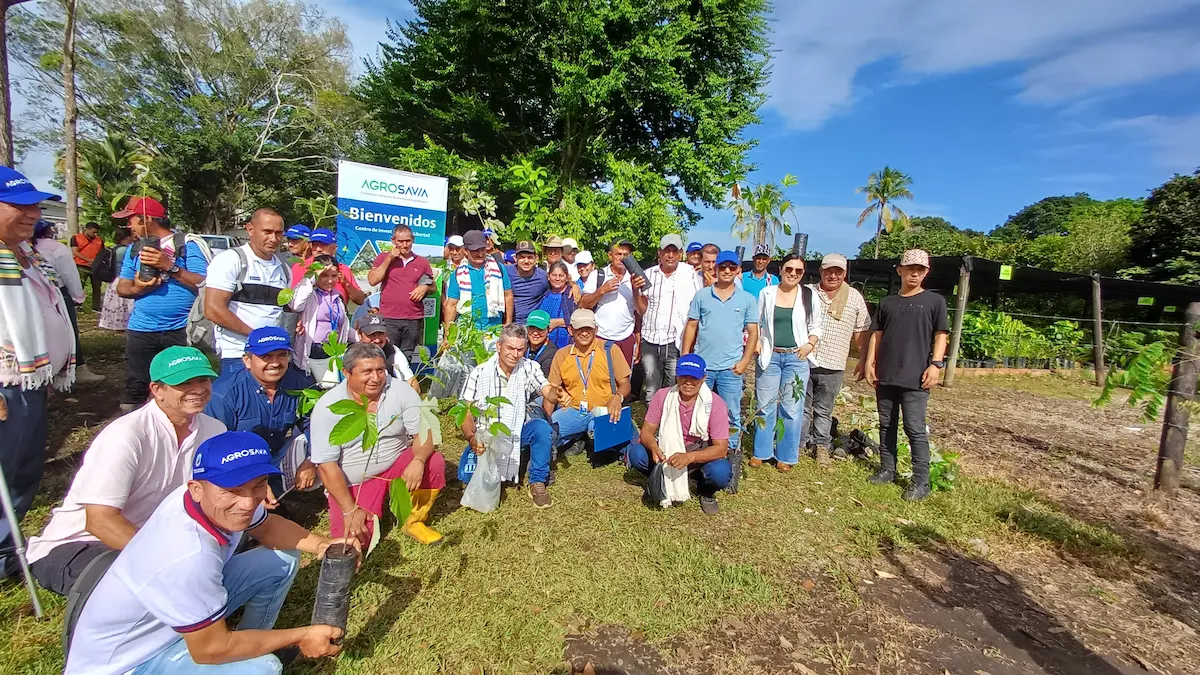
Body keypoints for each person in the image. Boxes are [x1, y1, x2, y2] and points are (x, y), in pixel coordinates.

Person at [63, 431, 355, 675]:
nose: (246, 503)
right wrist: (302, 635)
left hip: (170, 622)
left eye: (258, 486)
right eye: (232, 490)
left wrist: (321, 545)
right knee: (262, 669)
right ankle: (250, 652)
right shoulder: (187, 556)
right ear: (197, 488)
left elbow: (267, 528)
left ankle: (250, 641)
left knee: (280, 558)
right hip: (129, 663)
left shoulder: (199, 500)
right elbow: (210, 650)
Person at [29, 346, 223, 595]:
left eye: (203, 380)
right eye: (184, 383)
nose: (197, 389)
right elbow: (100, 521)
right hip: (79, 544)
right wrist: (166, 560)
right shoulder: (126, 435)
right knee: (148, 589)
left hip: (153, 538)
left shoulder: (215, 430)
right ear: (157, 390)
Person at [0, 167, 74, 579]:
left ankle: (6, 550)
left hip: (29, 382)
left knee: (23, 467)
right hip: (6, 385)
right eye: (18, 206)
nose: (31, 214)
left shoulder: (26, 256)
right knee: (6, 468)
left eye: (34, 206)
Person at [311, 343, 447, 546]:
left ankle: (413, 520)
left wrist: (418, 460)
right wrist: (349, 509)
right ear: (346, 373)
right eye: (367, 372)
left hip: (396, 463)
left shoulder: (400, 390)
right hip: (355, 480)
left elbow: (425, 433)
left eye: (380, 370)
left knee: (433, 463)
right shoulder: (329, 407)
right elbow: (326, 465)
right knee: (353, 542)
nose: (376, 378)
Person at [863, 249, 948, 502]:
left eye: (920, 269)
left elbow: (941, 335)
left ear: (926, 273)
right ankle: (888, 469)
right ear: (899, 270)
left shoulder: (935, 302)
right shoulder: (888, 303)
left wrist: (936, 364)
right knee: (886, 423)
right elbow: (876, 335)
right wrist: (869, 363)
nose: (915, 273)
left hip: (917, 377)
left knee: (915, 428)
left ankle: (921, 481)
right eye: (910, 268)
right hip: (887, 373)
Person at [116, 196, 209, 410]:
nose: (129, 225)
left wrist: (169, 266)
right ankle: (135, 432)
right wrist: (139, 288)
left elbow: (204, 283)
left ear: (147, 219)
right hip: (142, 328)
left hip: (181, 328)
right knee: (136, 385)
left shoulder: (187, 245)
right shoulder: (135, 249)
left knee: (184, 382)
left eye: (132, 219)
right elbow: (122, 287)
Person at [204, 328, 317, 504]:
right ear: (247, 361)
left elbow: (314, 424)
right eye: (266, 357)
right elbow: (216, 448)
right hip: (238, 465)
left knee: (319, 447)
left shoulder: (299, 384)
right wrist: (252, 482)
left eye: (281, 355)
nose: (275, 363)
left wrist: (312, 460)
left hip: (276, 454)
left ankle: (279, 494)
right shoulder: (224, 395)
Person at [460, 324, 561, 508]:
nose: (515, 354)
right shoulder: (479, 373)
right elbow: (464, 410)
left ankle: (537, 481)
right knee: (469, 478)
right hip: (489, 437)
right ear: (499, 346)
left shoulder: (529, 367)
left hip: (517, 431)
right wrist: (471, 437)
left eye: (520, 349)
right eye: (510, 348)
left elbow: (546, 390)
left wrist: (556, 394)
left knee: (541, 429)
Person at [627, 354, 732, 515]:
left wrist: (690, 457)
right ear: (677, 375)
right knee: (637, 453)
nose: (688, 382)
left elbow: (721, 449)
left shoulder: (715, 404)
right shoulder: (663, 396)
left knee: (721, 471)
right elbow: (647, 431)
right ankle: (661, 478)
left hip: (698, 454)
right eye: (684, 376)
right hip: (667, 453)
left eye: (694, 378)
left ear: (703, 378)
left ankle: (705, 490)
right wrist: (654, 447)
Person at [682, 250, 758, 463]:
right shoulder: (702, 295)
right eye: (722, 267)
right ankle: (698, 449)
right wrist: (686, 356)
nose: (726, 271)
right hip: (702, 367)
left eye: (731, 267)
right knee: (698, 409)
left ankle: (731, 456)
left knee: (732, 413)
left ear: (738, 270)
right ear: (715, 269)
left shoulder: (747, 299)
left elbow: (753, 332)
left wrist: (744, 361)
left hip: (730, 368)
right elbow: (692, 326)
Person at [751, 254, 820, 472]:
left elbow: (816, 325)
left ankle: (786, 455)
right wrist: (758, 342)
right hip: (771, 356)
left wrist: (810, 344)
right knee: (765, 405)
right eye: (789, 269)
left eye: (798, 271)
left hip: (796, 358)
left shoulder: (809, 295)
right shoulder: (767, 293)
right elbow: (757, 321)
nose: (793, 274)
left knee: (792, 408)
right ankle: (761, 451)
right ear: (781, 269)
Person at [205, 208, 291, 376]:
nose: (273, 239)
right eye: (267, 232)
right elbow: (213, 309)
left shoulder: (284, 269)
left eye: (278, 233)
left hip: (272, 355)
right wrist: (256, 337)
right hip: (237, 352)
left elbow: (282, 310)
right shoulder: (231, 260)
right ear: (250, 229)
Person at [804, 253, 871, 462]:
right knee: (802, 407)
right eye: (828, 271)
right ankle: (799, 443)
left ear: (844, 273)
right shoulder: (807, 292)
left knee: (824, 410)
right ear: (821, 271)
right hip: (804, 360)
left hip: (834, 363)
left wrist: (864, 359)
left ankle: (821, 445)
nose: (833, 275)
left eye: (838, 272)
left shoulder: (854, 297)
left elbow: (861, 332)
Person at [544, 309, 632, 457]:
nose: (584, 333)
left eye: (588, 329)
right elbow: (552, 391)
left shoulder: (610, 350)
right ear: (570, 330)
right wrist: (547, 420)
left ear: (596, 329)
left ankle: (585, 437)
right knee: (548, 432)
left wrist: (618, 397)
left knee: (606, 442)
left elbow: (625, 383)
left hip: (604, 410)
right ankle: (578, 436)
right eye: (579, 329)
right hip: (574, 410)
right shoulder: (562, 354)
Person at [33, 221, 104, 384]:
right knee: (69, 330)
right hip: (57, 291)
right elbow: (69, 274)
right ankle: (77, 368)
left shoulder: (23, 248)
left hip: (33, 292)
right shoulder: (56, 248)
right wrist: (77, 296)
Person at [639, 234, 700, 403]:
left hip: (675, 340)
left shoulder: (689, 274)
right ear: (659, 252)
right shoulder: (648, 275)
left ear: (680, 254)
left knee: (673, 385)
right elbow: (641, 309)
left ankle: (668, 423)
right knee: (651, 388)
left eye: (675, 251)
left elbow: (698, 305)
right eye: (667, 251)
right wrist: (634, 289)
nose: (671, 255)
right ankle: (652, 425)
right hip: (650, 339)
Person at [367, 224, 434, 362]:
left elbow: (433, 288)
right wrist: (389, 258)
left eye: (408, 241)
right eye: (400, 241)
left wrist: (425, 287)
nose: (404, 245)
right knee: (386, 355)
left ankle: (404, 382)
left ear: (413, 240)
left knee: (406, 357)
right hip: (389, 317)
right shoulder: (383, 258)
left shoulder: (422, 262)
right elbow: (373, 280)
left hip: (413, 318)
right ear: (393, 241)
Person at [579, 239, 645, 366]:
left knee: (623, 381)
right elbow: (583, 304)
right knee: (599, 379)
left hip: (625, 339)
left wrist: (635, 291)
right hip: (600, 337)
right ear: (610, 255)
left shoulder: (636, 278)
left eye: (626, 255)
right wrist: (602, 290)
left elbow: (641, 311)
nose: (622, 258)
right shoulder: (597, 275)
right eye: (618, 254)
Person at [292, 255, 353, 381]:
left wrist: (362, 338)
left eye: (334, 276)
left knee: (330, 390)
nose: (330, 280)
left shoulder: (338, 297)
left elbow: (344, 326)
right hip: (311, 352)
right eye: (325, 275)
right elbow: (296, 305)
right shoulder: (309, 293)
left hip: (333, 351)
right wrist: (310, 278)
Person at [445, 229, 513, 332]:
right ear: (465, 251)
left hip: (494, 329)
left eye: (482, 249)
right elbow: (451, 305)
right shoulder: (458, 274)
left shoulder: (498, 269)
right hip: (467, 331)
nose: (480, 254)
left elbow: (508, 295)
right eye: (475, 250)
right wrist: (448, 335)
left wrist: (508, 322)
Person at [291, 228, 367, 307]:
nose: (318, 249)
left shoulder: (343, 269)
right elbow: (293, 299)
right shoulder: (300, 266)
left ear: (334, 248)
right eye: (315, 245)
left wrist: (346, 283)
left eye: (324, 245)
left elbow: (360, 300)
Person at [355, 314, 419, 393]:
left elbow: (412, 383)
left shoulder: (394, 352)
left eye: (381, 333)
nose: (377, 340)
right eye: (372, 335)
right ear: (360, 335)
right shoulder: (350, 355)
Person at [98, 227, 137, 331]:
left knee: (115, 304)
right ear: (128, 237)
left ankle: (114, 323)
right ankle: (123, 325)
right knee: (124, 304)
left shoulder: (115, 248)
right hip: (123, 279)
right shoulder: (126, 250)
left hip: (114, 280)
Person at [508, 239, 550, 323]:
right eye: (522, 257)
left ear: (536, 258)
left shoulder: (543, 277)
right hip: (510, 323)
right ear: (515, 258)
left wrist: (573, 285)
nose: (526, 261)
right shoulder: (505, 272)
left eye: (530, 257)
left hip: (532, 324)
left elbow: (560, 284)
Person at [535, 262, 576, 348]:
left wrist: (558, 322)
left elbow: (579, 319)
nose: (557, 279)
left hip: (566, 344)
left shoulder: (573, 294)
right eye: (554, 275)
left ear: (567, 277)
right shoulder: (543, 294)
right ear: (549, 277)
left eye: (561, 275)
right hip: (544, 345)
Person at [70, 221, 104, 311]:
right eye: (93, 232)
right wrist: (88, 260)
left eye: (96, 232)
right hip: (81, 265)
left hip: (95, 266)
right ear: (87, 229)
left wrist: (96, 261)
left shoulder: (99, 240)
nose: (95, 234)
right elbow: (75, 252)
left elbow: (102, 253)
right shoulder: (76, 238)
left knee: (97, 287)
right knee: (80, 285)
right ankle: (78, 305)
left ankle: (96, 306)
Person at [525, 310, 558, 376]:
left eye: (540, 329)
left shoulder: (552, 353)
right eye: (532, 328)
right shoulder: (521, 346)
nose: (535, 333)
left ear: (548, 330)